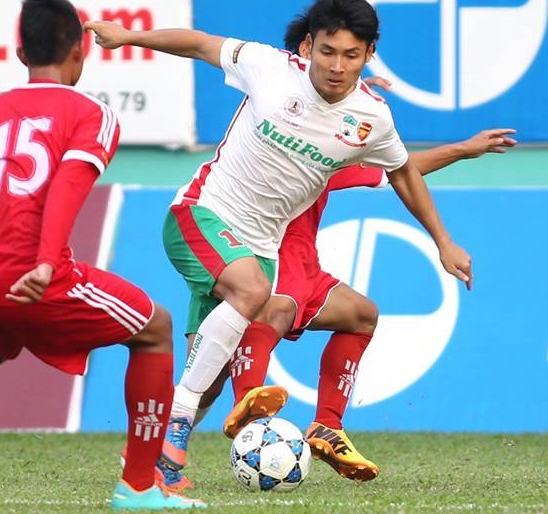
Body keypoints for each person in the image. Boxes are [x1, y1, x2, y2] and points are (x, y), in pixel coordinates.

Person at [85, 0, 472, 478]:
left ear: (369, 54)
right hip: (202, 213)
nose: (336, 66)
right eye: (327, 51)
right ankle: (183, 420)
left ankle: (149, 468)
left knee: (212, 372)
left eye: (350, 55)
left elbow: (403, 173)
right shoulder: (269, 67)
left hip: (260, 251)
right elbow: (200, 43)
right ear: (308, 45)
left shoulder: (371, 120)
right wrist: (129, 36)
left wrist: (443, 240)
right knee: (253, 293)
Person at [0, 0, 206, 510]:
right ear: (80, 51)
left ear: (20, 52)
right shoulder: (92, 114)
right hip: (38, 274)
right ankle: (138, 487)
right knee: (155, 327)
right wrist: (45, 262)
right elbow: (67, 187)